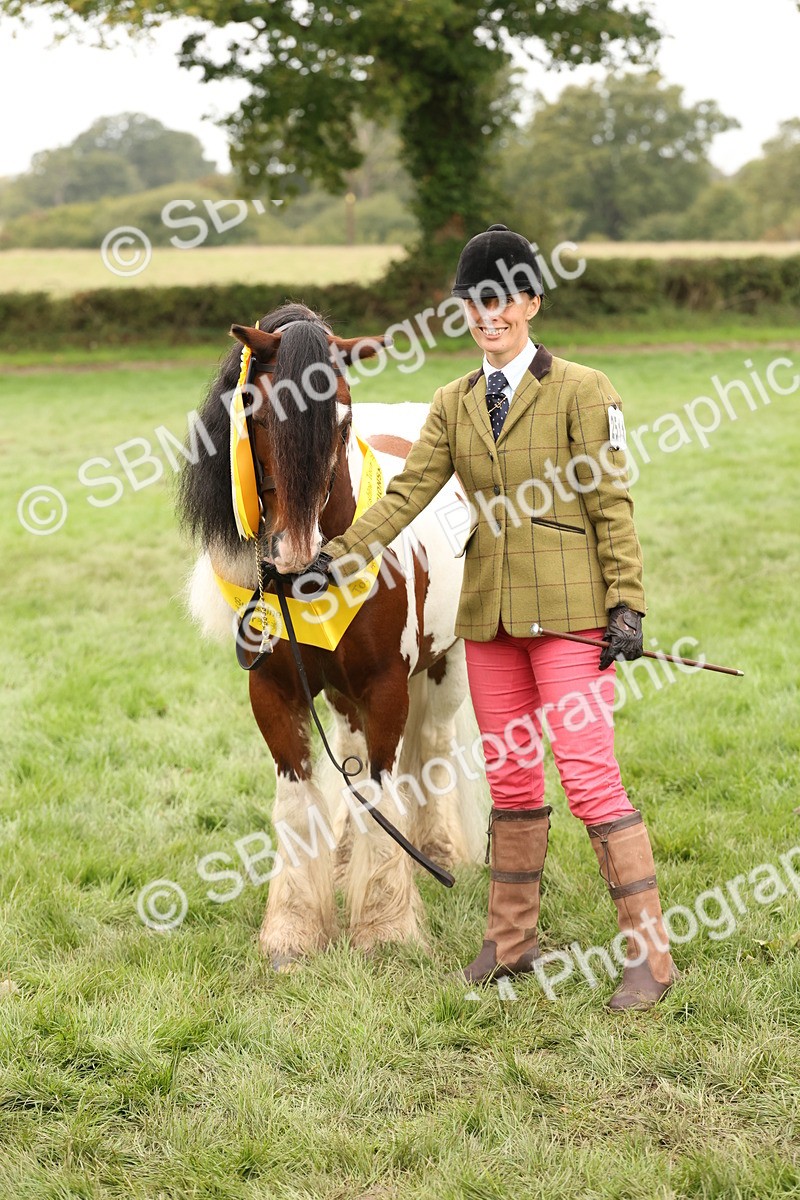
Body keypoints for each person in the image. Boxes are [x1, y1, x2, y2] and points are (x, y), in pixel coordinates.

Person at [297, 224, 679, 1011]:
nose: (490, 314)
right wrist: (334, 560)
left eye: (503, 299)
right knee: (509, 777)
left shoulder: (583, 388)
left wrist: (627, 603)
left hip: (571, 619)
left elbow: (612, 505)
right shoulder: (454, 403)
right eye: (476, 302)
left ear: (531, 302)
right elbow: (403, 499)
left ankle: (649, 956)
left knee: (589, 777)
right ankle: (511, 944)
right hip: (490, 624)